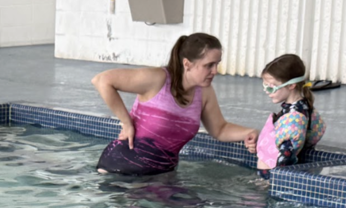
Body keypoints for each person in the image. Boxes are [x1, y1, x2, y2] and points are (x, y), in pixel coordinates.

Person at [92, 33, 258, 176]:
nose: (215, 71)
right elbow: (102, 81)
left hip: (159, 176)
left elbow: (220, 129)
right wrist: (126, 122)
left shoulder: (204, 92)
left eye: (217, 64)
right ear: (187, 64)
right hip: (119, 170)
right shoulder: (158, 79)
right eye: (209, 65)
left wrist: (250, 133)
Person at [256, 54, 326, 174]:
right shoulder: (303, 107)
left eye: (271, 87)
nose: (267, 91)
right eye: (265, 86)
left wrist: (267, 180)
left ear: (291, 85)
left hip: (268, 180)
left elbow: (284, 162)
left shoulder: (294, 121)